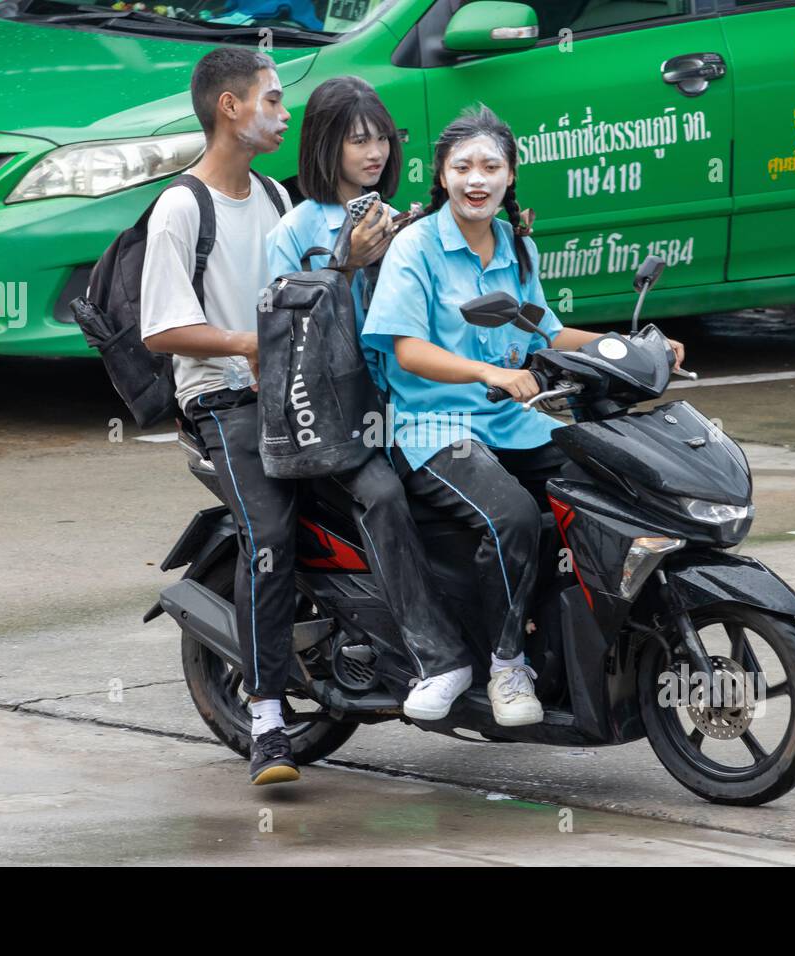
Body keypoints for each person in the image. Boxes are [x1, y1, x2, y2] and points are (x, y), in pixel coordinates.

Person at [362, 105, 685, 726]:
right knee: (510, 516)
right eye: (462, 167)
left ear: (511, 175)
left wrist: (631, 344)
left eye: (490, 166)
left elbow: (545, 329)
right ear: (442, 175)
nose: (476, 180)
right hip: (436, 429)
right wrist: (490, 372)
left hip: (519, 421)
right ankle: (506, 663)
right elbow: (406, 348)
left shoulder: (516, 243)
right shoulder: (417, 246)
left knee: (611, 478)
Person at [265, 76, 474, 723]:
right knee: (382, 495)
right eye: (358, 140)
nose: (375, 151)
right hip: (333, 415)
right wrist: (345, 264)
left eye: (381, 136)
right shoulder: (297, 229)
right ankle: (438, 656)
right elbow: (285, 336)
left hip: (406, 400)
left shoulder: (401, 218)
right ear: (326, 146)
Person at [139, 47, 304, 785]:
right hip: (222, 401)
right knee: (270, 532)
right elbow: (161, 331)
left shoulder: (276, 197)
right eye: (272, 100)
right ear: (229, 107)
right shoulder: (182, 206)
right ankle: (268, 717)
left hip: (292, 393)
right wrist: (244, 343)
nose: (284, 112)